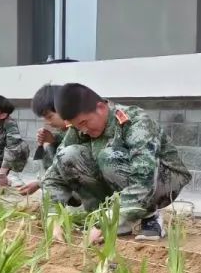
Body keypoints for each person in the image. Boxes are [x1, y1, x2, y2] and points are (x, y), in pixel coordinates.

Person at [42, 83, 191, 242]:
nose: (83, 130)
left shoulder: (135, 122)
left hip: (163, 180)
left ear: (100, 107)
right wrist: (52, 217)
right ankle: (106, 215)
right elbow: (54, 175)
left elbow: (144, 178)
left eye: (85, 123)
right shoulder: (79, 128)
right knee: (68, 155)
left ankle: (149, 216)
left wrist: (108, 222)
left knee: (108, 157)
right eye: (78, 126)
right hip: (128, 178)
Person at [19, 83, 70, 197]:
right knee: (48, 147)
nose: (47, 122)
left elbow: (68, 162)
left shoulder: (81, 127)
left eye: (49, 116)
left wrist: (39, 183)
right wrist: (51, 140)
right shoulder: (64, 130)